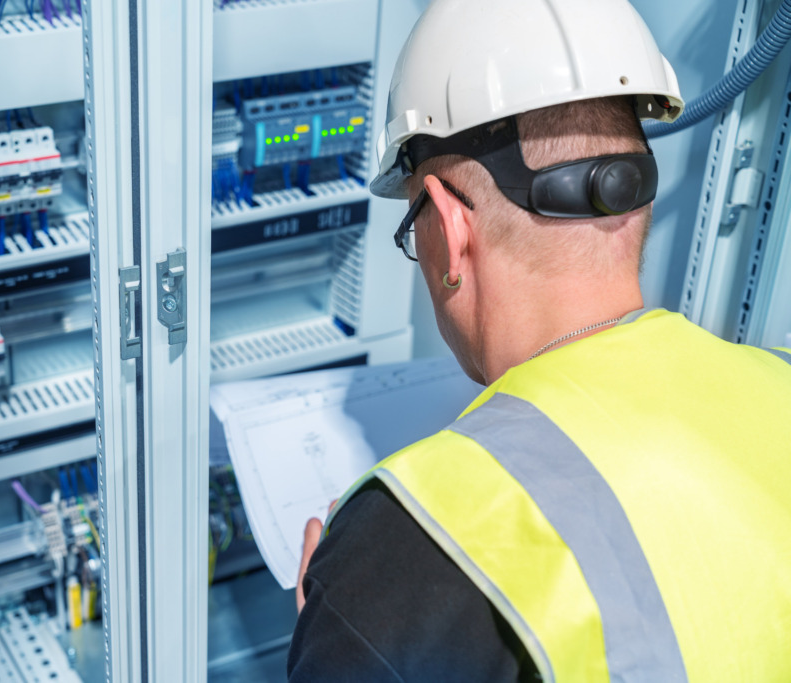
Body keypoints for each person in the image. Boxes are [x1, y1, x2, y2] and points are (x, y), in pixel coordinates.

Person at [287, 0, 791, 681]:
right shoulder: (776, 381)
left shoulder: (395, 553)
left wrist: (339, 622)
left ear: (448, 226)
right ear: (631, 186)